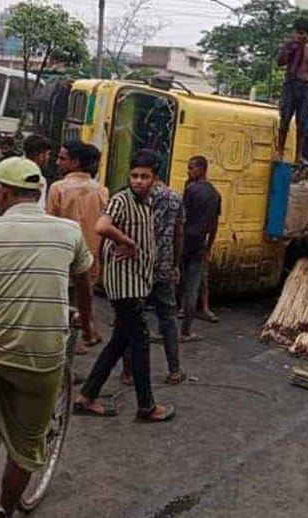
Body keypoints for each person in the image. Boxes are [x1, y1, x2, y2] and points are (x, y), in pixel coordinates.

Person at [0, 157, 97, 517]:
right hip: (42, 359)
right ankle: (8, 509)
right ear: (37, 193)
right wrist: (89, 325)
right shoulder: (69, 232)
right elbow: (83, 283)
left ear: (0, 192)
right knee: (27, 448)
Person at [74, 152, 175, 421]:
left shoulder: (148, 202)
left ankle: (87, 396)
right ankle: (147, 406)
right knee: (140, 341)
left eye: (145, 177)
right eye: (135, 176)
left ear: (155, 179)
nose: (139, 181)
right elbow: (102, 226)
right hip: (125, 286)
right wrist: (126, 242)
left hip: (138, 283)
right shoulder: (121, 200)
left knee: (118, 343)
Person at [122, 174, 186, 385]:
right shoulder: (175, 198)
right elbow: (178, 234)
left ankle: (129, 372)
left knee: (132, 318)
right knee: (168, 318)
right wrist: (176, 264)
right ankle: (174, 370)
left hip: (137, 265)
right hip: (163, 267)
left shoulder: (133, 196)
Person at [46, 140, 109, 346]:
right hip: (90, 257)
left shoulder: (58, 188)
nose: (58, 162)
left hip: (61, 257)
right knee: (81, 303)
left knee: (59, 308)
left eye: (62, 158)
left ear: (75, 162)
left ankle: (63, 352)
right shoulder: (101, 190)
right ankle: (79, 341)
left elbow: (50, 224)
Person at [181, 156, 221, 341]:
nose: (188, 171)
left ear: (201, 169)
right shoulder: (215, 194)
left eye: (191, 168)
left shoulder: (191, 189)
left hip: (185, 241)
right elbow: (214, 225)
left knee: (174, 283)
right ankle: (186, 330)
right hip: (200, 244)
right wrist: (209, 246)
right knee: (193, 287)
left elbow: (182, 218)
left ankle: (164, 328)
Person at [275, 17, 308, 162]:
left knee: (302, 122)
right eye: (297, 33)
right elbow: (280, 62)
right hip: (291, 85)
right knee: (285, 118)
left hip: (304, 87)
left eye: (302, 33)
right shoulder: (290, 46)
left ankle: (298, 155)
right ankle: (280, 151)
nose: (299, 36)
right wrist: (289, 49)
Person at [23, 134, 54, 208]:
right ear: (41, 156)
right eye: (48, 154)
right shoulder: (39, 179)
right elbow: (40, 207)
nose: (48, 158)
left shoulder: (12, 171)